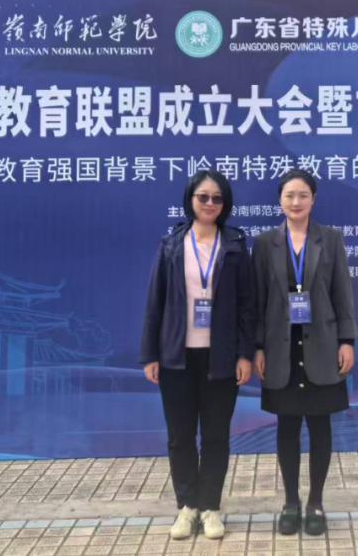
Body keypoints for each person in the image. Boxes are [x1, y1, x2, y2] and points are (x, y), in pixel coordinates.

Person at [140, 170, 255, 540]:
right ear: (190, 199)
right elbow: (155, 301)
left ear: (225, 204)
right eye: (203, 196)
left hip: (221, 358)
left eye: (217, 198)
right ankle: (187, 507)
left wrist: (245, 354)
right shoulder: (172, 244)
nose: (209, 203)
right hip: (177, 357)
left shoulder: (234, 244)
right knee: (181, 437)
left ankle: (210, 508)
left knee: (216, 436)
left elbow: (247, 305)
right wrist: (150, 354)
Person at [252, 169, 357, 536]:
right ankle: (290, 503)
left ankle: (315, 502)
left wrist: (347, 340)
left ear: (313, 199)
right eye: (289, 195)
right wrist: (257, 347)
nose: (295, 202)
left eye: (303, 195)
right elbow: (257, 300)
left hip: (323, 348)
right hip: (279, 350)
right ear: (280, 200)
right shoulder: (264, 244)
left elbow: (342, 293)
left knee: (320, 427)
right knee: (287, 428)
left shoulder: (330, 239)